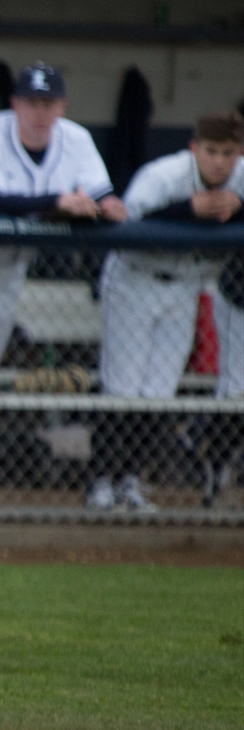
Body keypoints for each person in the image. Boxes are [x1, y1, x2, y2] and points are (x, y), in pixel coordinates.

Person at [0, 63, 121, 506]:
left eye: (48, 103)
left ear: (61, 106)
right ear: (15, 104)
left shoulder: (76, 139)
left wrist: (106, 207)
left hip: (12, 270)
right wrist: (56, 202)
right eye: (31, 102)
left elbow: (102, 196)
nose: (40, 112)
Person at [90, 110, 244, 510]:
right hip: (135, 280)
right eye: (211, 151)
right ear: (194, 148)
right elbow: (128, 226)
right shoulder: (163, 175)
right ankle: (100, 481)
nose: (219, 162)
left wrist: (239, 205)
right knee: (122, 389)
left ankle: (129, 482)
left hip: (186, 289)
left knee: (158, 393)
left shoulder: (241, 178)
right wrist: (186, 209)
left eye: (228, 153)